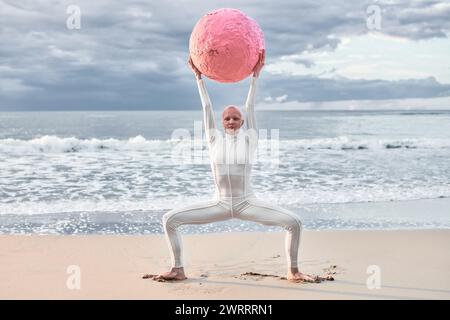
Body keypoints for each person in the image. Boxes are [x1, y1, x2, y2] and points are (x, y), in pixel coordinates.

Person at [154, 50, 319, 283]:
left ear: (242, 122)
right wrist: (198, 78)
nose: (231, 121)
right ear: (222, 123)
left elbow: (250, 105)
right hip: (219, 204)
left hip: (246, 203)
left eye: (235, 118)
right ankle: (178, 269)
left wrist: (255, 76)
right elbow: (206, 109)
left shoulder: (251, 138)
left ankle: (293, 271)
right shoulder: (214, 140)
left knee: (295, 223)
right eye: (227, 118)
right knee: (170, 219)